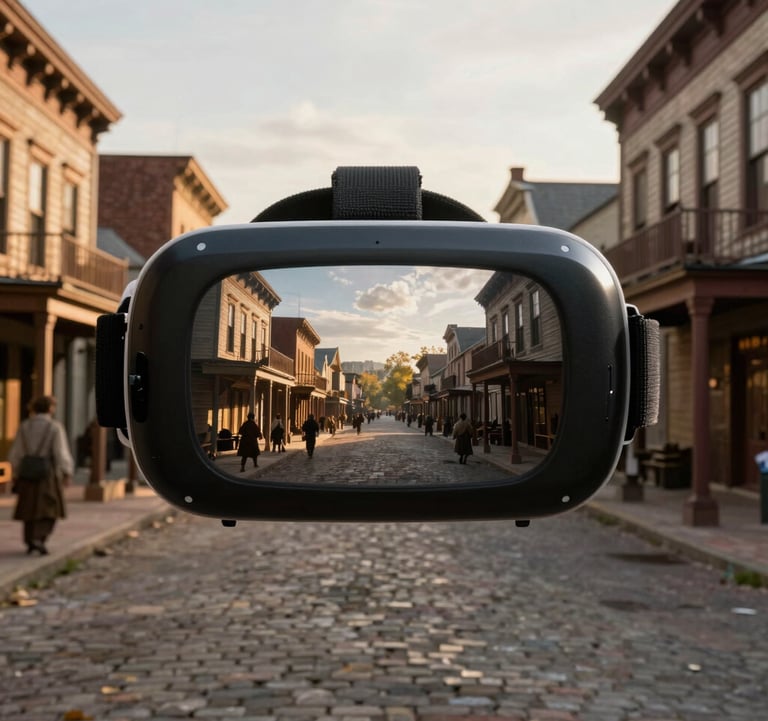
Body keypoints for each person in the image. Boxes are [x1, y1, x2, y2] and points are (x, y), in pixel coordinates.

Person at [7, 395, 73, 555]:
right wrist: (67, 471)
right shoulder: (54, 427)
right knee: (50, 508)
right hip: (47, 474)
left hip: (27, 474)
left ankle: (30, 539)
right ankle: (39, 538)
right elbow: (60, 452)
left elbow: (16, 453)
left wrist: (15, 472)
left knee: (28, 508)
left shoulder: (25, 426)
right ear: (50, 408)